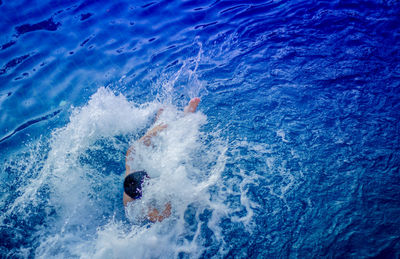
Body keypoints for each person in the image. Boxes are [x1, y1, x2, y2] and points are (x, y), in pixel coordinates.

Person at [123, 97, 201, 222]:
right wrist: (168, 197)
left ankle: (161, 120)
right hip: (144, 210)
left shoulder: (131, 172)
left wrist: (152, 133)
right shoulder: (137, 205)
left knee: (153, 139)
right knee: (170, 151)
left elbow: (131, 151)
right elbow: (163, 217)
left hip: (140, 178)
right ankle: (187, 116)